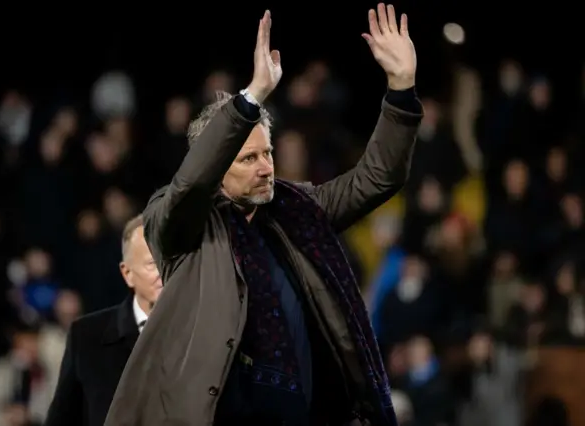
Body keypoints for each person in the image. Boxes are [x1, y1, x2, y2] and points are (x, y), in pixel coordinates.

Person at [106, 5, 421, 426]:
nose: (266, 167)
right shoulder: (182, 228)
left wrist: (400, 88)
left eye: (267, 153)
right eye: (248, 158)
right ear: (218, 168)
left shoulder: (298, 211)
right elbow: (190, 185)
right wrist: (251, 98)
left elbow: (377, 178)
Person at [44, 214, 162, 426]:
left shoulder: (202, 334)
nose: (164, 272)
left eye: (170, 261)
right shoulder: (87, 336)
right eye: (153, 264)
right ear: (128, 274)